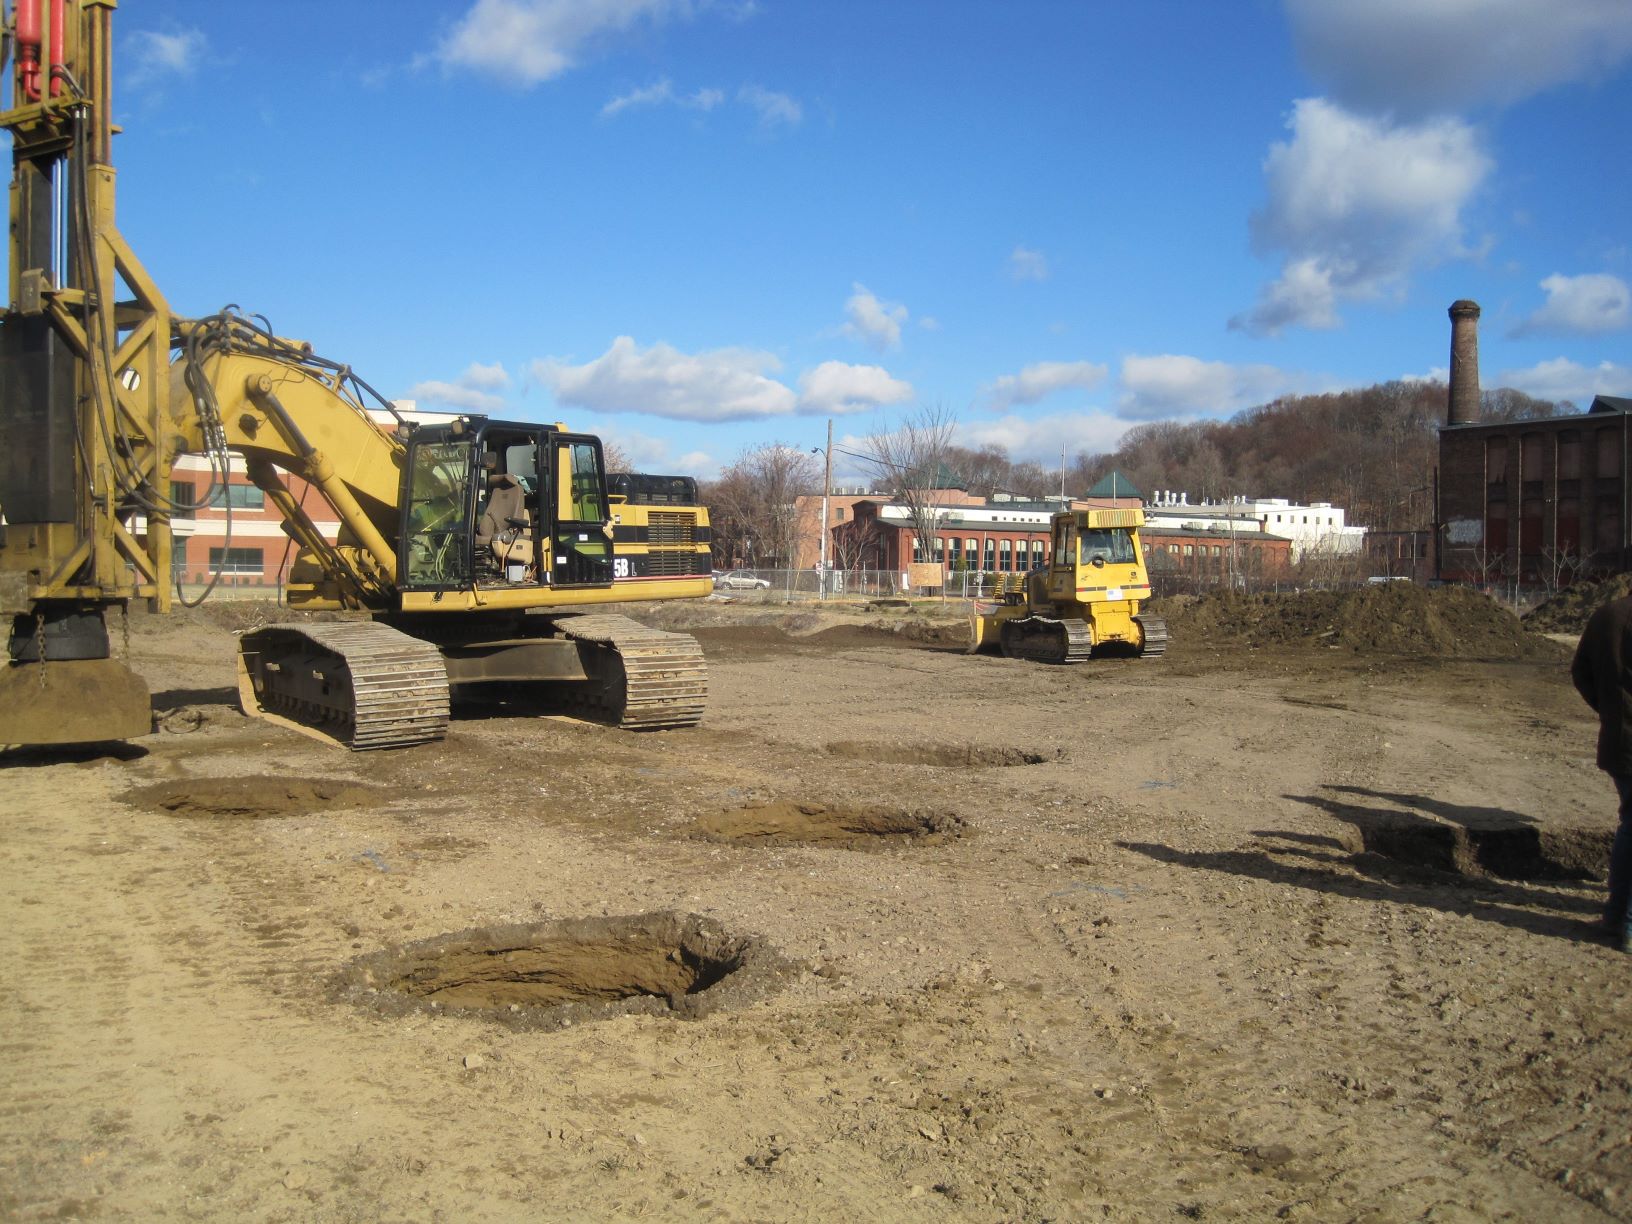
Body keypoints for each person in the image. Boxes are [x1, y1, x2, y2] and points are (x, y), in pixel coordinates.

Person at [1571, 593, 1632, 953]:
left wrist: (1611, 714)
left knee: (1629, 824)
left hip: (1619, 742)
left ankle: (1616, 915)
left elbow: (1581, 673)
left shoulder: (1607, 615)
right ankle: (1625, 923)